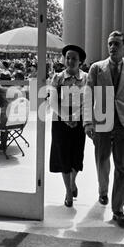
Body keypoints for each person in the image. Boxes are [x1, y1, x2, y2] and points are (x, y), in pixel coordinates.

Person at [84, 31, 124, 227]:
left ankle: (118, 210)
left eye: (117, 43)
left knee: (123, 167)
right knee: (102, 160)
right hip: (102, 121)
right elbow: (87, 95)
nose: (112, 47)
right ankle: (103, 190)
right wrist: (88, 122)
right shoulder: (96, 68)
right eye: (110, 43)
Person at [49, 44, 87, 207]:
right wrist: (65, 117)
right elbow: (52, 101)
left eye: (74, 58)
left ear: (80, 62)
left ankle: (73, 182)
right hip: (60, 120)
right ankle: (68, 191)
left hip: (80, 120)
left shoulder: (86, 78)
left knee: (77, 155)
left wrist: (76, 116)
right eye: (68, 57)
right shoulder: (57, 78)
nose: (70, 61)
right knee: (63, 155)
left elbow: (88, 100)